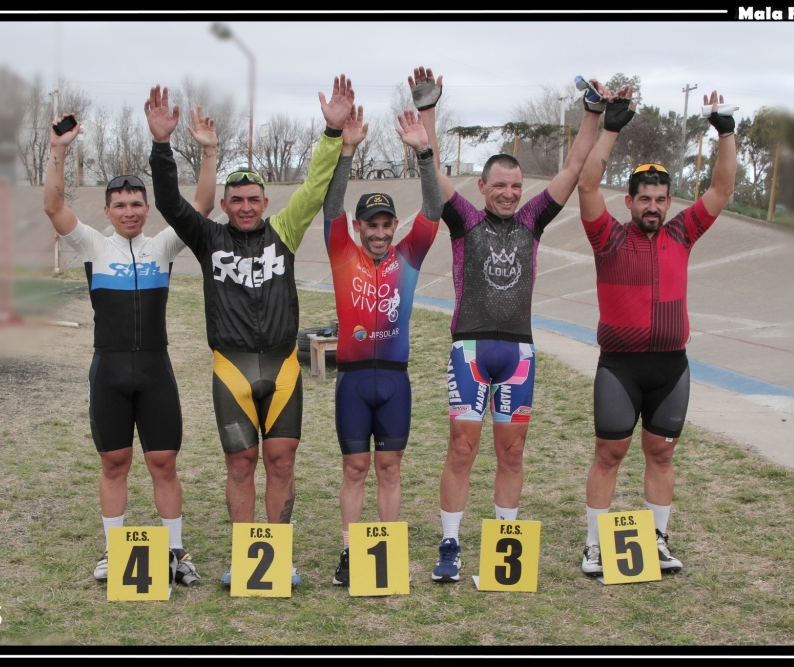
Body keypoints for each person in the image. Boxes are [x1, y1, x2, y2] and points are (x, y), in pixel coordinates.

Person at [146, 76, 355, 586]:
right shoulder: (207, 235)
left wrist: (331, 132)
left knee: (280, 461)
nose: (244, 206)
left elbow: (313, 187)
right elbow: (171, 203)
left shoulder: (283, 231)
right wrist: (161, 145)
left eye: (252, 199)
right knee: (241, 463)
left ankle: (277, 555)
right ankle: (246, 557)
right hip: (231, 367)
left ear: (264, 202)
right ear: (225, 203)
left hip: (283, 365)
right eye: (235, 198)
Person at [412, 66, 608, 583]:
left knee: (513, 451)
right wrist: (428, 110)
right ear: (483, 186)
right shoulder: (464, 219)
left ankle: (504, 544)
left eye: (516, 186)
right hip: (471, 349)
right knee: (462, 448)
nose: (509, 193)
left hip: (518, 353)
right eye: (500, 185)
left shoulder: (532, 220)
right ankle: (450, 544)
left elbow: (572, 165)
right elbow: (434, 176)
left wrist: (592, 114)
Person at [43, 108, 217, 587]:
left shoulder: (162, 245)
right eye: (120, 205)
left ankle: (177, 553)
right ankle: (112, 551)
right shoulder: (94, 247)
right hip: (110, 372)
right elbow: (55, 208)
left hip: (156, 370)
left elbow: (202, 206)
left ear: (147, 208)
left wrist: (207, 152)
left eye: (136, 204)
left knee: (164, 463)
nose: (129, 212)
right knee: (114, 463)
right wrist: (58, 151)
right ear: (107, 211)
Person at [576, 88, 738, 575]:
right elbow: (586, 187)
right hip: (620, 367)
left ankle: (660, 539)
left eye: (660, 199)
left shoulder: (682, 232)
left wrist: (726, 131)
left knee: (661, 454)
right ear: (629, 200)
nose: (652, 205)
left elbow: (722, 189)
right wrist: (610, 129)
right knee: (610, 453)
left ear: (669, 202)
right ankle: (593, 546)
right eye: (644, 198)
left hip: (671, 366)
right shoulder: (607, 236)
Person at [321, 106, 443, 586]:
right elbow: (331, 205)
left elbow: (433, 209)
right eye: (370, 224)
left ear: (395, 227)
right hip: (352, 380)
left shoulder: (409, 255)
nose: (378, 233)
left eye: (385, 224)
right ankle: (352, 554)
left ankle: (385, 553)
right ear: (358, 228)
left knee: (390, 469)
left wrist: (424, 154)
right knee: (354, 469)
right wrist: (346, 151)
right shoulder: (341, 250)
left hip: (395, 380)